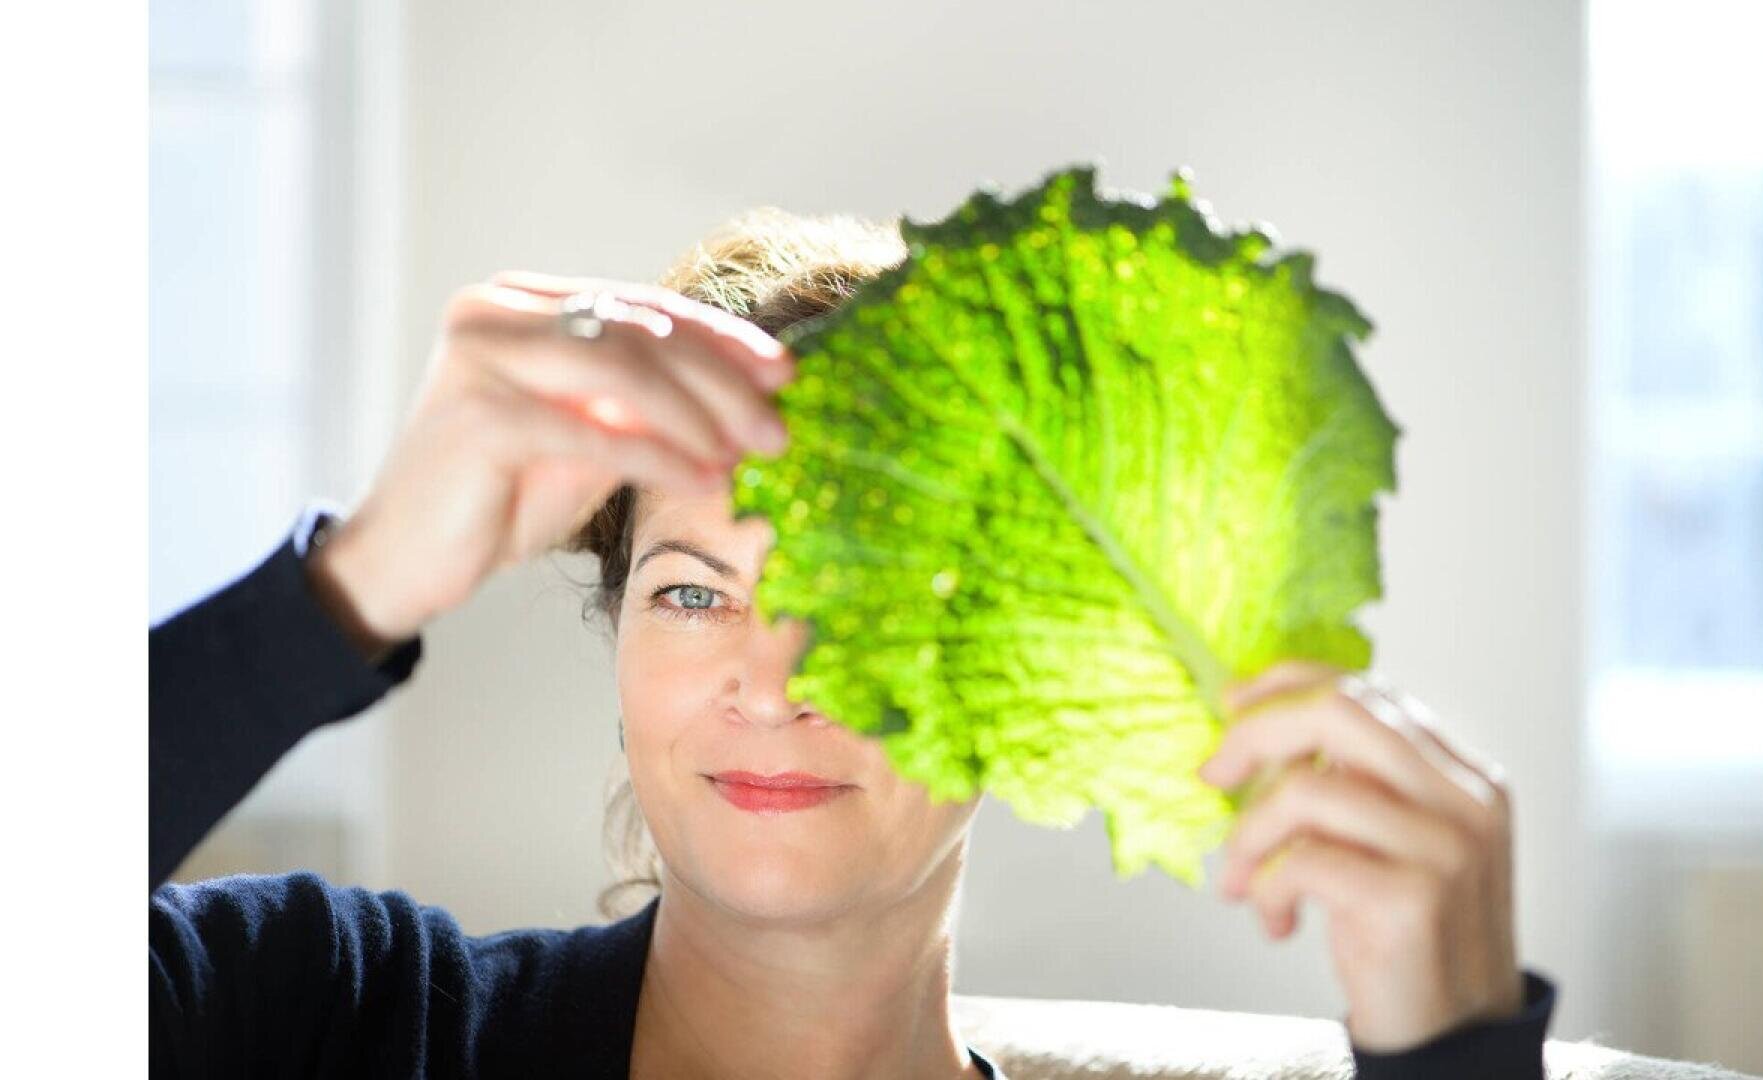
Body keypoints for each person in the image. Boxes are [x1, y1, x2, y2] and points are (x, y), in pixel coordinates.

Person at [150, 209, 1557, 1079]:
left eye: (879, 605)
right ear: (620, 632)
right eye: (695, 593)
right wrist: (341, 589)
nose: (772, 680)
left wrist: (1456, 1059)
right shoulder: (322, 1016)